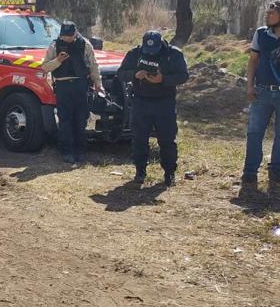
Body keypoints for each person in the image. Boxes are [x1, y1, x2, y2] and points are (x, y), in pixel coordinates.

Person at [118, 30, 189, 186]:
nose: (150, 53)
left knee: (167, 140)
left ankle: (169, 173)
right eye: (148, 50)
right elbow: (121, 73)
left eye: (154, 50)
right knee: (139, 140)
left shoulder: (173, 54)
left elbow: (183, 75)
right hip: (141, 102)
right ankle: (140, 172)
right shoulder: (135, 54)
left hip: (164, 102)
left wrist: (163, 79)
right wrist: (135, 74)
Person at [41, 22, 103, 165]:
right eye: (64, 36)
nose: (67, 39)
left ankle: (80, 151)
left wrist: (98, 84)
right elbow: (45, 67)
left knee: (81, 120)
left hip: (80, 85)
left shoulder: (85, 45)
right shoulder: (54, 46)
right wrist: (58, 60)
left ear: (75, 33)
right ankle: (66, 151)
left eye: (69, 36)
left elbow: (93, 65)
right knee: (65, 120)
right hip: (63, 86)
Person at [241, 1, 280, 187]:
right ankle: (250, 171)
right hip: (262, 91)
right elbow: (253, 60)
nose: (268, 16)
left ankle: (276, 171)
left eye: (272, 13)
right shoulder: (261, 34)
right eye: (267, 13)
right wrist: (250, 86)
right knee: (254, 132)